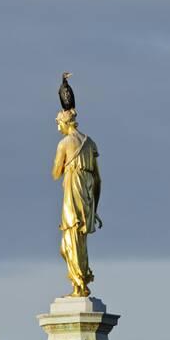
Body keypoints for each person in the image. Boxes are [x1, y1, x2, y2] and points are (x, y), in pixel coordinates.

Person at [52, 109, 102, 297]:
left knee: (69, 242)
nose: (58, 128)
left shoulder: (64, 143)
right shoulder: (90, 143)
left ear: (66, 123)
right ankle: (81, 281)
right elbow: (98, 179)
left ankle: (79, 284)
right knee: (79, 240)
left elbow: (55, 174)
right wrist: (95, 208)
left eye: (58, 123)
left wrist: (66, 165)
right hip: (88, 197)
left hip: (73, 195)